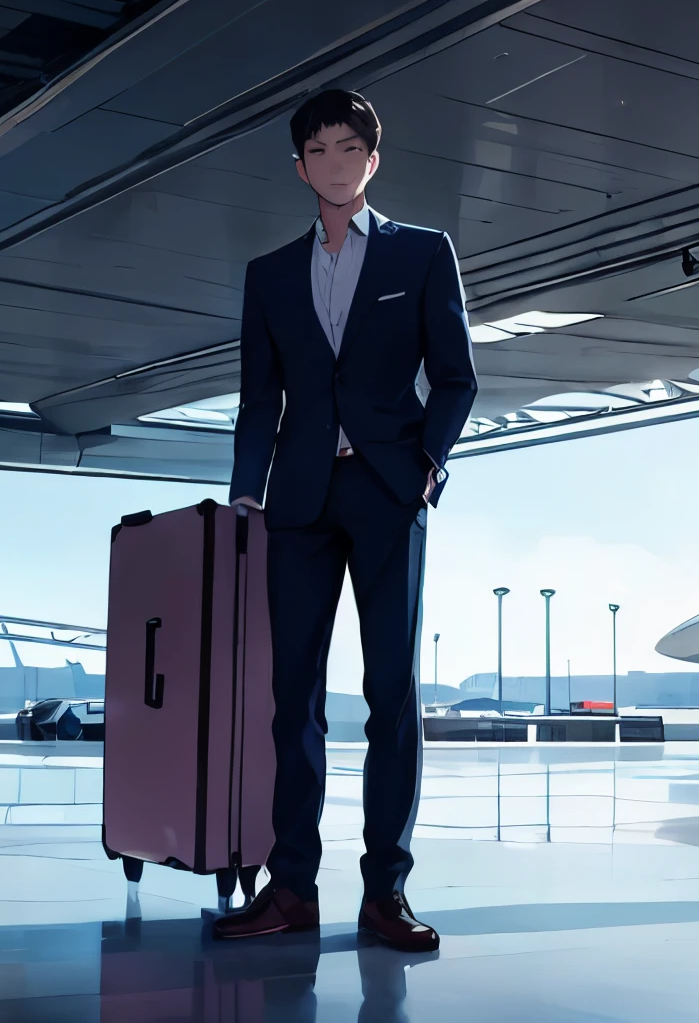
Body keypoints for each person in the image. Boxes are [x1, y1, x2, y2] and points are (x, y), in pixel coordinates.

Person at [212, 89, 477, 952]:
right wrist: (247, 488)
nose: (334, 159)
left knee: (391, 698)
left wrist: (426, 470)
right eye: (317, 148)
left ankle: (384, 896)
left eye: (349, 145)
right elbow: (260, 399)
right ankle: (291, 891)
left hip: (389, 494)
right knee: (294, 703)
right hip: (296, 504)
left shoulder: (424, 254)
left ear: (374, 157)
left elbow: (457, 377)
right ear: (299, 168)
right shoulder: (269, 275)